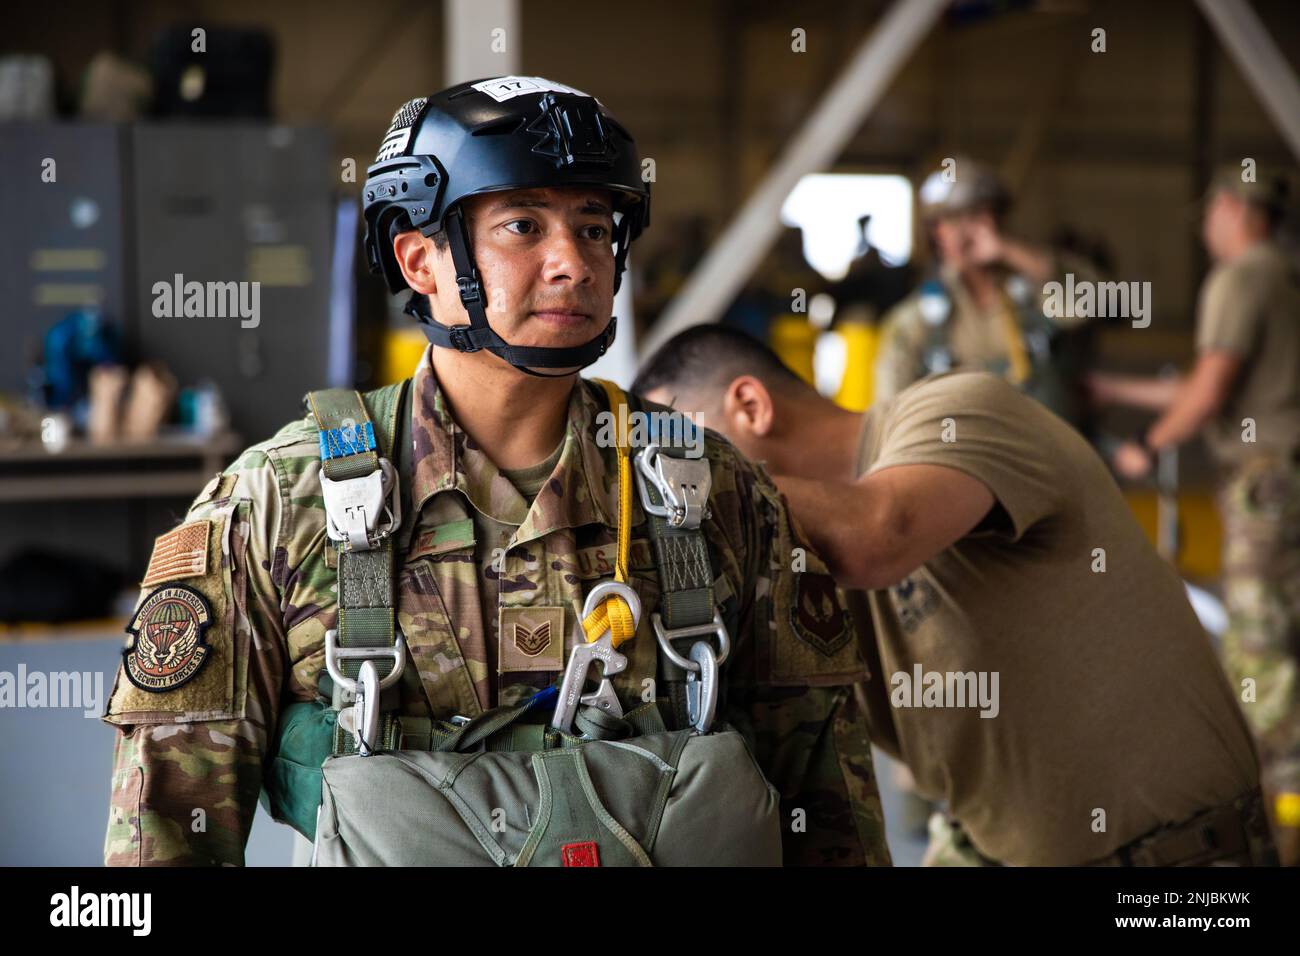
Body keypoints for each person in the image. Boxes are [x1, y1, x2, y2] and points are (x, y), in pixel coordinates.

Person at [100, 77, 889, 867]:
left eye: (592, 227)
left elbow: (827, 809)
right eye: (522, 225)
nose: (573, 264)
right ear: (420, 261)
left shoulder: (708, 492)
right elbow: (167, 835)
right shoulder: (279, 504)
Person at [634, 324, 1274, 866]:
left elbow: (878, 535)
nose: (677, 492)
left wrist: (686, 480)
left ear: (751, 405)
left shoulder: (957, 411)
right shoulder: (794, 558)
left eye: (687, 451)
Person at [1089, 164, 1299, 864]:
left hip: (1265, 488)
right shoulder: (1285, 275)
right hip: (1288, 480)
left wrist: (1147, 446)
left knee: (1259, 654)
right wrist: (1115, 387)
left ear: (1235, 208)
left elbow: (1208, 391)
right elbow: (1217, 384)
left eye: (1210, 212)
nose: (1207, 226)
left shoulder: (1240, 279)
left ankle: (1280, 819)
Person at [875, 157, 1095, 427]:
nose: (955, 233)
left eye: (974, 217)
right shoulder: (920, 317)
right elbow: (889, 410)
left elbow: (1088, 304)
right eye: (945, 223)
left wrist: (1011, 252)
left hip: (1042, 448)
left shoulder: (1031, 290)